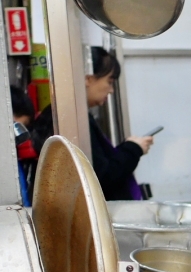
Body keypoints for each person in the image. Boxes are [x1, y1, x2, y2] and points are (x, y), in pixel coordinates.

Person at [30, 47, 153, 201]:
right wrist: (134, 149)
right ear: (88, 78)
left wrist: (130, 146)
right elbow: (102, 177)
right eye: (109, 81)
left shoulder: (66, 113)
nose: (111, 90)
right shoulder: (71, 118)